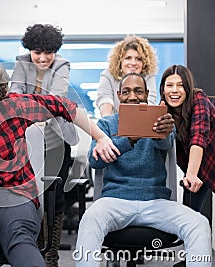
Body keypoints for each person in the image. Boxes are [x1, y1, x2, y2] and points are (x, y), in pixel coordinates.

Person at [0, 51, 119, 267]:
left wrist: (101, 138)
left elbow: (66, 107)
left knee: (22, 248)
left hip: (14, 198)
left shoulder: (13, 107)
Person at [75, 72, 212, 267]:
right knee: (90, 219)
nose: (132, 96)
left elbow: (165, 143)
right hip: (115, 202)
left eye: (138, 91)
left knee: (199, 224)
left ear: (147, 93)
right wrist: (130, 139)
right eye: (127, 91)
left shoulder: (163, 122)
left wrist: (158, 132)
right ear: (119, 94)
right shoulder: (106, 124)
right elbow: (95, 162)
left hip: (155, 202)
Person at [9, 23, 75, 266]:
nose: (43, 58)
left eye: (48, 52)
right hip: (26, 140)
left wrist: (29, 104)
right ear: (29, 50)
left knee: (54, 196)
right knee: (29, 194)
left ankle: (51, 255)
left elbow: (55, 101)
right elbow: (13, 95)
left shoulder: (62, 65)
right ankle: (33, 249)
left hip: (57, 139)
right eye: (38, 52)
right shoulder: (21, 62)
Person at [160, 65, 215, 212]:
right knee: (190, 215)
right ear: (163, 90)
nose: (174, 90)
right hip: (195, 170)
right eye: (169, 85)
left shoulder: (198, 98)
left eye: (181, 86)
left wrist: (191, 174)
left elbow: (199, 135)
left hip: (206, 162)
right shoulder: (163, 111)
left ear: (188, 89)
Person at [96, 35, 158, 117]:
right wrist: (108, 122)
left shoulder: (148, 76)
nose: (133, 63)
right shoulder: (108, 75)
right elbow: (105, 99)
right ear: (119, 61)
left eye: (138, 59)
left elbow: (150, 101)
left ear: (144, 63)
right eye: (128, 58)